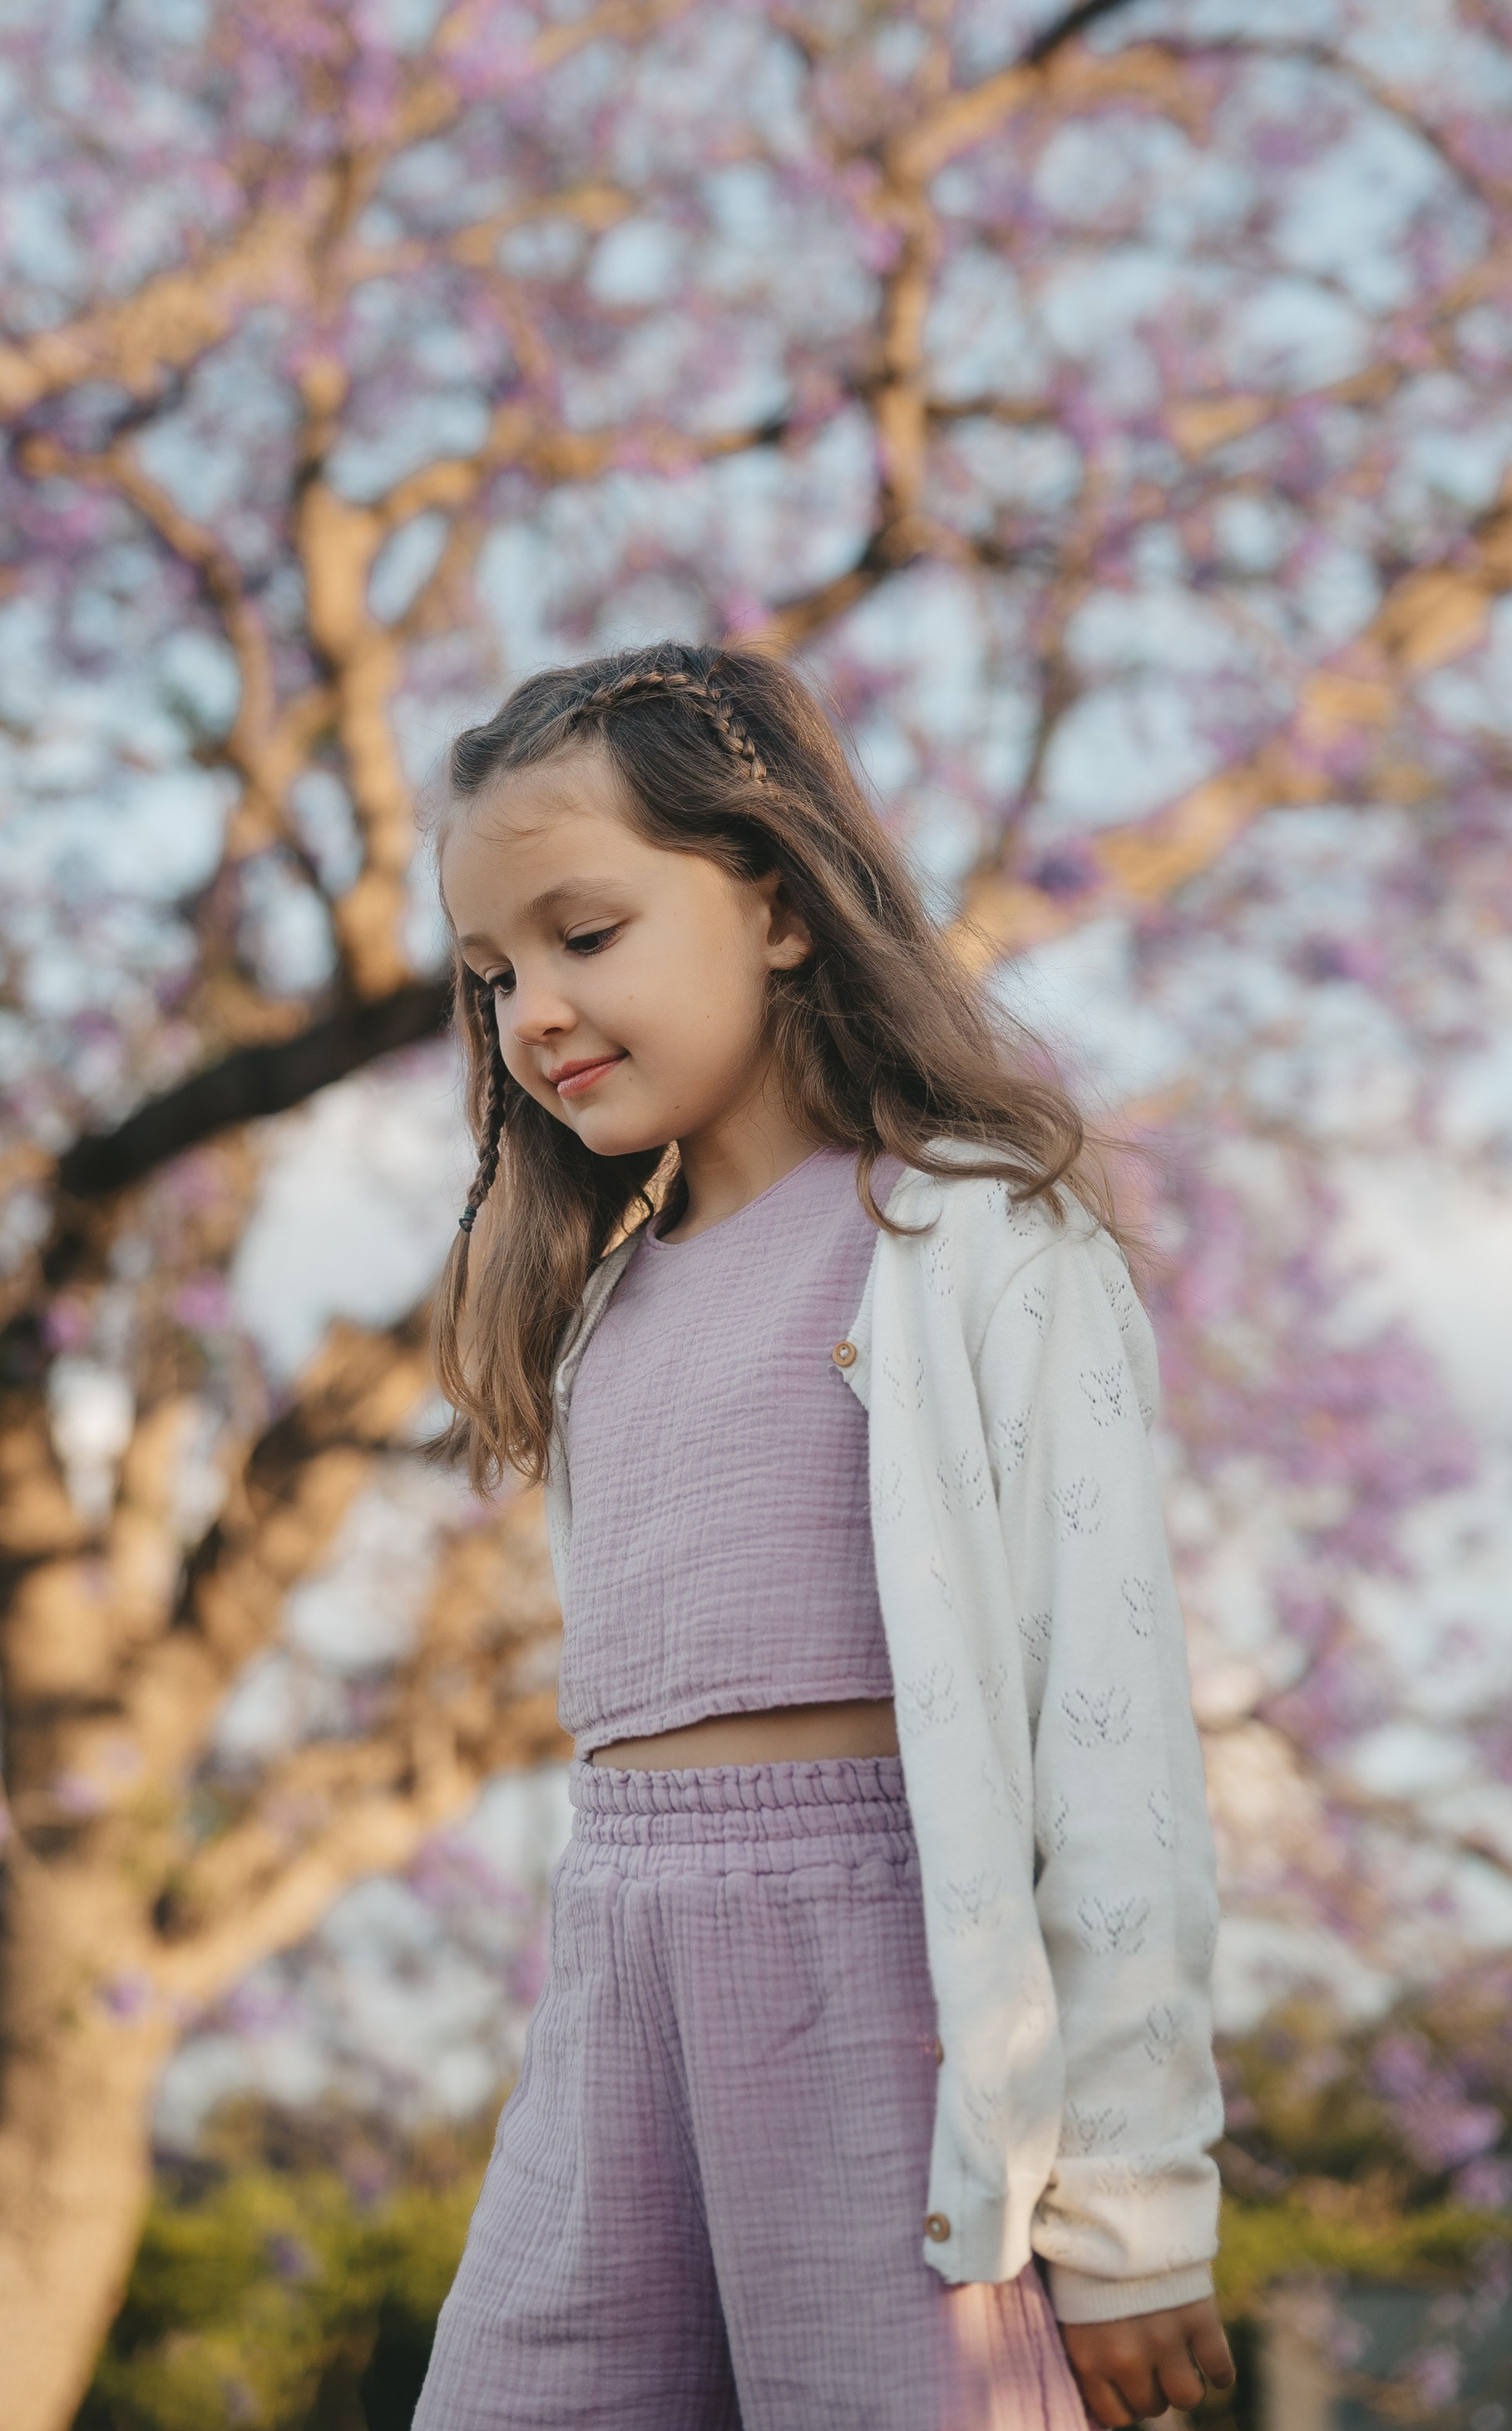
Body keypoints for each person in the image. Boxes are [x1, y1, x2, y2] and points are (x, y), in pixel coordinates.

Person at [413, 645, 1235, 2431]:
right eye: (491, 975)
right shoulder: (603, 1302)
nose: (532, 1007)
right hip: (624, 1971)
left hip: (879, 1990)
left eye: (584, 932)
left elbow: (1105, 1743)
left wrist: (1132, 2214)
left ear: (776, 906)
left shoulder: (969, 1242)